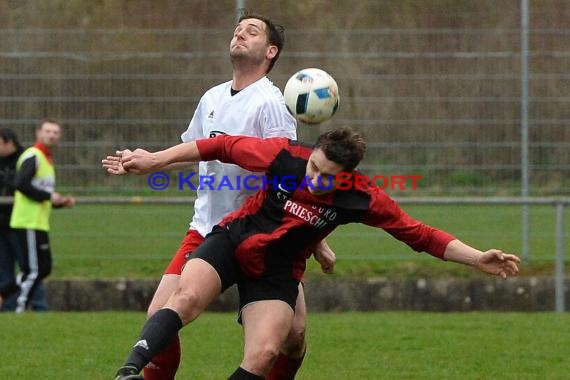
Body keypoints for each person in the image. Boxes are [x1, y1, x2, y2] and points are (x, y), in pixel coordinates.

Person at [105, 127, 521, 379]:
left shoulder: (362, 198)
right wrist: (156, 160)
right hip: (234, 242)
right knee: (186, 299)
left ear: (348, 176)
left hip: (278, 272)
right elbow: (222, 147)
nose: (316, 178)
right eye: (314, 168)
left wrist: (477, 256)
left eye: (327, 176)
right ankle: (129, 371)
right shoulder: (287, 155)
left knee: (265, 352)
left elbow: (420, 234)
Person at [104, 10, 335, 380]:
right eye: (238, 29)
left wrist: (314, 237)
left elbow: (288, 172)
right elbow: (192, 150)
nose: (240, 34)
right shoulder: (212, 96)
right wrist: (145, 161)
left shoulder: (271, 103)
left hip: (264, 235)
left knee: (293, 337)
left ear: (271, 51)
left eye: (252, 32)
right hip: (208, 229)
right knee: (158, 317)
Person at [9, 119, 75, 313]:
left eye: (55, 132)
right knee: (33, 270)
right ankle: (17, 308)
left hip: (39, 222)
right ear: (38, 133)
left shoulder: (47, 159)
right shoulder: (34, 155)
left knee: (43, 268)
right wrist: (49, 196)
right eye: (47, 131)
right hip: (27, 221)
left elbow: (40, 193)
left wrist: (60, 202)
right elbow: (21, 184)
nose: (51, 135)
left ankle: (10, 296)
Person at [0, 128, 49, 312]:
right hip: (7, 223)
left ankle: (38, 306)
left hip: (20, 221)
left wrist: (49, 197)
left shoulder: (27, 157)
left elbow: (21, 185)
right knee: (7, 269)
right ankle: (9, 307)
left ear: (9, 142)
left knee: (32, 269)